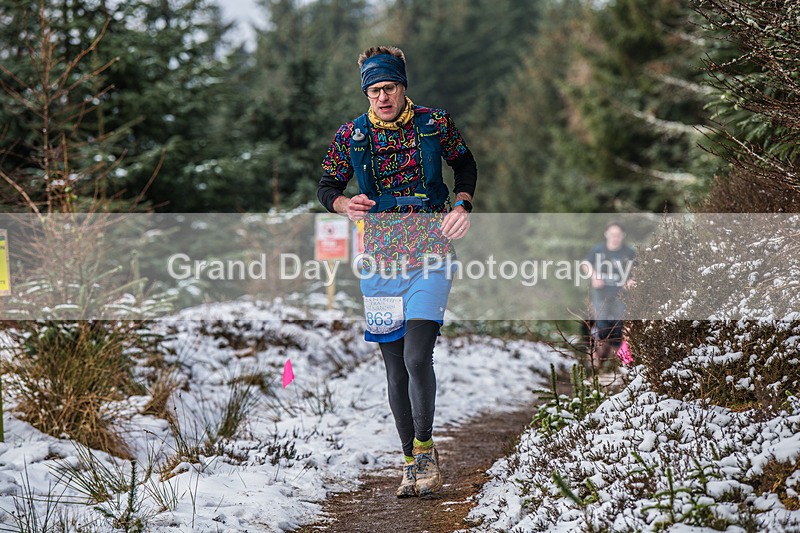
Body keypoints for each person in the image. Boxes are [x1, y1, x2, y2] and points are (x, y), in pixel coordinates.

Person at [317, 46, 477, 498]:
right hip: (379, 262)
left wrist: (462, 202)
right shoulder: (352, 135)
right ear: (366, 93)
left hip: (431, 254)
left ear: (403, 87)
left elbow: (464, 163)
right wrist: (344, 203)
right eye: (373, 91)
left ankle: (425, 450)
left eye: (388, 88)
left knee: (415, 355)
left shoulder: (434, 123)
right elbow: (326, 185)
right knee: (393, 369)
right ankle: (409, 459)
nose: (382, 97)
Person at [581, 221, 636, 367]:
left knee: (620, 326)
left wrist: (632, 280)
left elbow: (639, 270)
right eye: (612, 234)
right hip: (601, 294)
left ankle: (620, 363)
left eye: (618, 235)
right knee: (601, 325)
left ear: (622, 236)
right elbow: (585, 264)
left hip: (621, 295)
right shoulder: (598, 250)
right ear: (606, 234)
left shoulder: (629, 252)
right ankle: (597, 362)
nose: (615, 238)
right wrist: (594, 275)